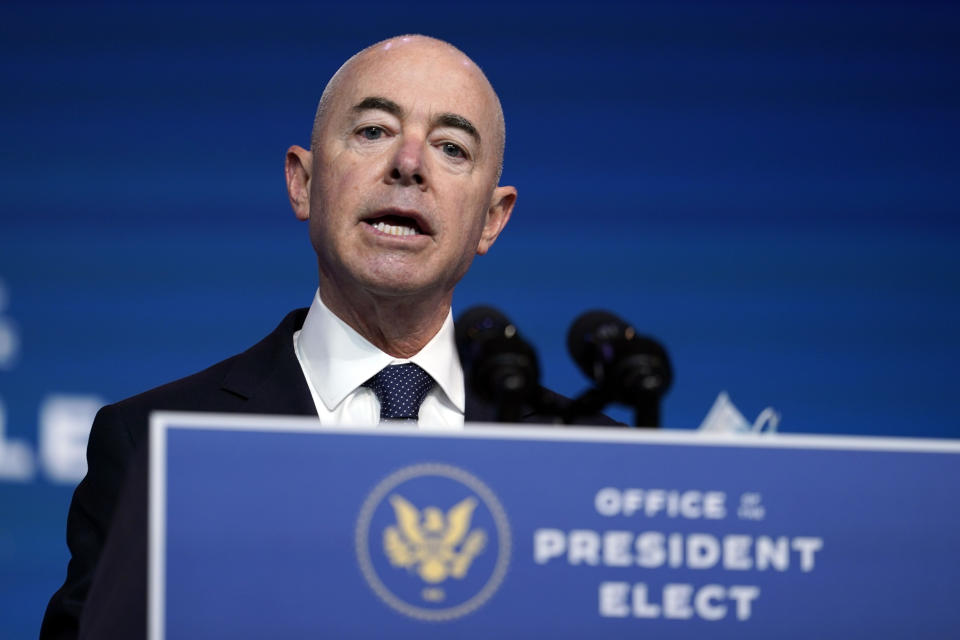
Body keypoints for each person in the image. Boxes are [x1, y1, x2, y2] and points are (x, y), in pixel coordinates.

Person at [40, 35, 617, 639]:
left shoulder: (588, 461)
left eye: (450, 147)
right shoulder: (154, 448)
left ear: (492, 220)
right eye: (373, 131)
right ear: (302, 182)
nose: (409, 164)